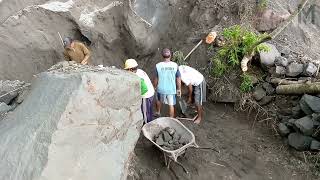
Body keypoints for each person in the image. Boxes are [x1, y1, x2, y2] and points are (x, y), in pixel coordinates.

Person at [124, 59, 155, 123]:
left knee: (145, 112)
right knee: (149, 110)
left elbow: (144, 89)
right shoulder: (140, 71)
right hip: (151, 92)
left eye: (127, 70)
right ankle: (150, 122)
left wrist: (137, 96)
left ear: (130, 69)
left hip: (146, 96)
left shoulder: (137, 76)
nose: (127, 71)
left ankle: (146, 125)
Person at [154, 48, 181, 118]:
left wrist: (155, 87)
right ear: (170, 55)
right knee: (171, 104)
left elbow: (156, 78)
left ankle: (158, 112)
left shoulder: (158, 65)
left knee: (158, 100)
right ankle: (171, 118)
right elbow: (178, 78)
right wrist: (179, 89)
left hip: (160, 88)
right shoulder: (175, 65)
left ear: (162, 56)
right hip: (171, 90)